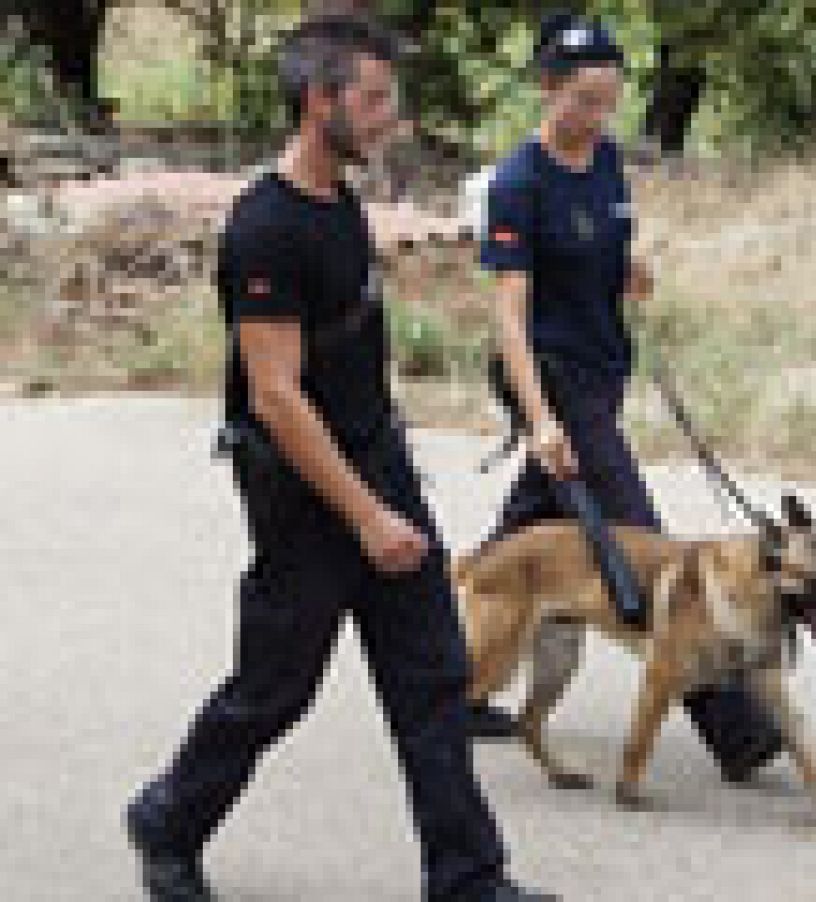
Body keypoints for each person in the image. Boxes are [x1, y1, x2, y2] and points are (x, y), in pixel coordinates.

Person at [122, 16, 553, 902]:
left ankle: (468, 880)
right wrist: (365, 515)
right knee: (274, 688)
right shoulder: (265, 229)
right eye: (374, 99)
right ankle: (169, 819)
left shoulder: (340, 205)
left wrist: (390, 481)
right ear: (320, 103)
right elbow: (277, 394)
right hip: (308, 495)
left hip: (376, 468)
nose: (391, 117)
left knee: (431, 678)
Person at [464, 12, 784, 784]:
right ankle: (733, 723)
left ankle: (445, 671)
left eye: (608, 101)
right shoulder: (518, 183)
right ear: (548, 89)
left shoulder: (606, 164)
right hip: (551, 372)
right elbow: (510, 312)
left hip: (603, 368)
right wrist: (539, 420)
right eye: (582, 100)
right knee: (637, 538)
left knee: (535, 525)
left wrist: (632, 275)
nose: (596, 117)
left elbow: (609, 252)